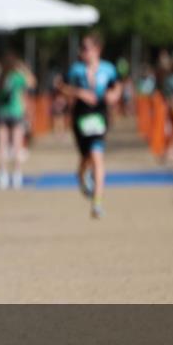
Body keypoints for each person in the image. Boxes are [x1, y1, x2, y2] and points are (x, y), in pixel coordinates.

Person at [58, 34, 122, 218]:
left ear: (97, 49)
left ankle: (97, 202)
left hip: (99, 116)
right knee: (86, 157)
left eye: (86, 48)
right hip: (81, 117)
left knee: (97, 156)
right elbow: (61, 86)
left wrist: (113, 95)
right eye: (81, 48)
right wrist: (79, 92)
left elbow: (116, 86)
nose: (82, 52)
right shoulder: (76, 70)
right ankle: (80, 175)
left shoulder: (108, 69)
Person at [0, 50, 36, 189]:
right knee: (17, 145)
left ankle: (2, 175)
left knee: (1, 145)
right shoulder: (18, 77)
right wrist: (22, 67)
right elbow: (32, 82)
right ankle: (16, 175)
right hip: (16, 113)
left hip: (1, 113)